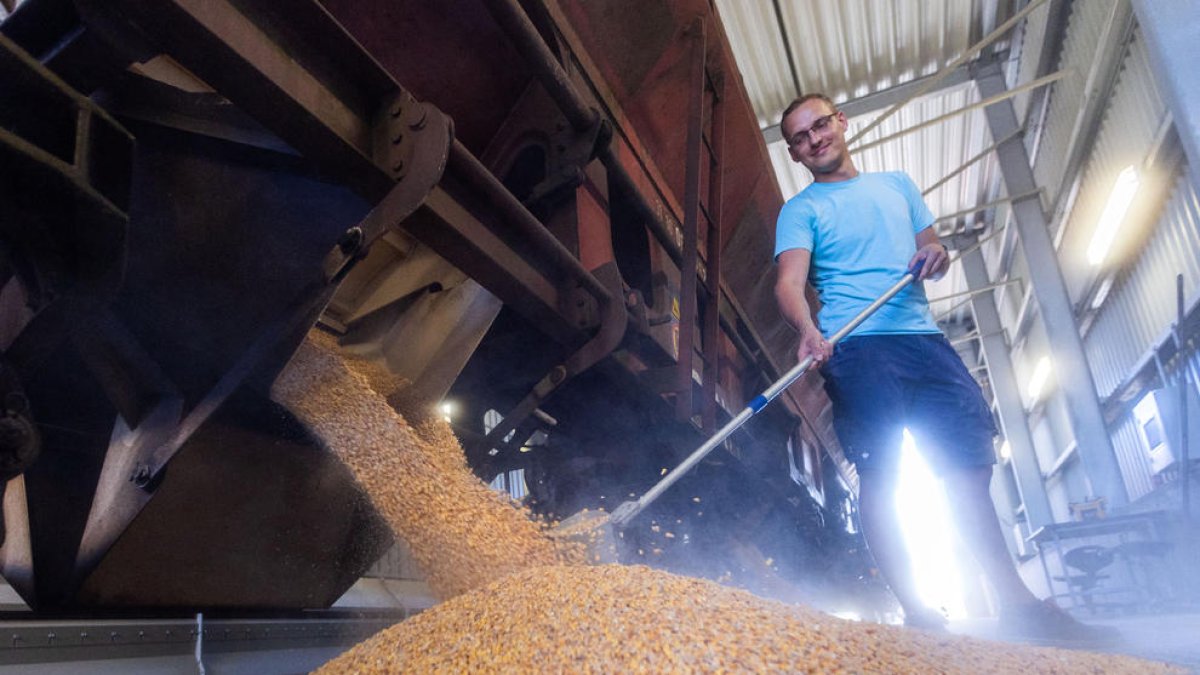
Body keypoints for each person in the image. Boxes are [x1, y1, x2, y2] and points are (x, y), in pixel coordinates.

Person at [772, 93, 1115, 642]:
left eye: (820, 125)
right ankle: (918, 611)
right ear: (794, 153)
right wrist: (807, 329)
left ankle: (1016, 603)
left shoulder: (897, 186)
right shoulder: (802, 211)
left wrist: (935, 257)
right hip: (857, 347)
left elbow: (931, 249)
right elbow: (789, 283)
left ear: (841, 121)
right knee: (883, 475)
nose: (815, 139)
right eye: (801, 137)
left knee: (966, 468)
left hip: (925, 343)